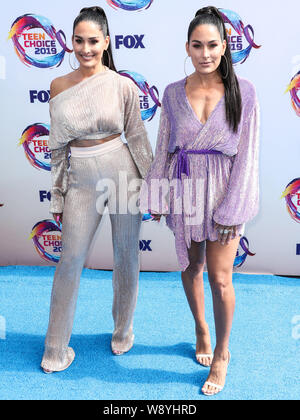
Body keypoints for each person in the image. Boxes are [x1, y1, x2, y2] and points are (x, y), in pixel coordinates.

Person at [140, 6, 259, 396]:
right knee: (192, 266)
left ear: (225, 47)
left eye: (212, 45)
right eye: (197, 45)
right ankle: (201, 328)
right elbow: (163, 148)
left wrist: (233, 208)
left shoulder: (245, 92)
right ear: (187, 48)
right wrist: (157, 194)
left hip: (225, 189)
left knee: (221, 278)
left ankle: (222, 353)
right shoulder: (173, 93)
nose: (205, 53)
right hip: (186, 188)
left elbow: (246, 156)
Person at [41, 6, 153, 373]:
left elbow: (136, 137)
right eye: (78, 40)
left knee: (127, 256)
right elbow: (57, 148)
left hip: (124, 173)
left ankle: (123, 330)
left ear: (106, 42)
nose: (85, 48)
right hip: (81, 179)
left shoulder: (122, 85)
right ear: (70, 42)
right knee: (69, 261)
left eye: (93, 41)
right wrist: (58, 193)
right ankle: (55, 349)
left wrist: (152, 184)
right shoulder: (58, 86)